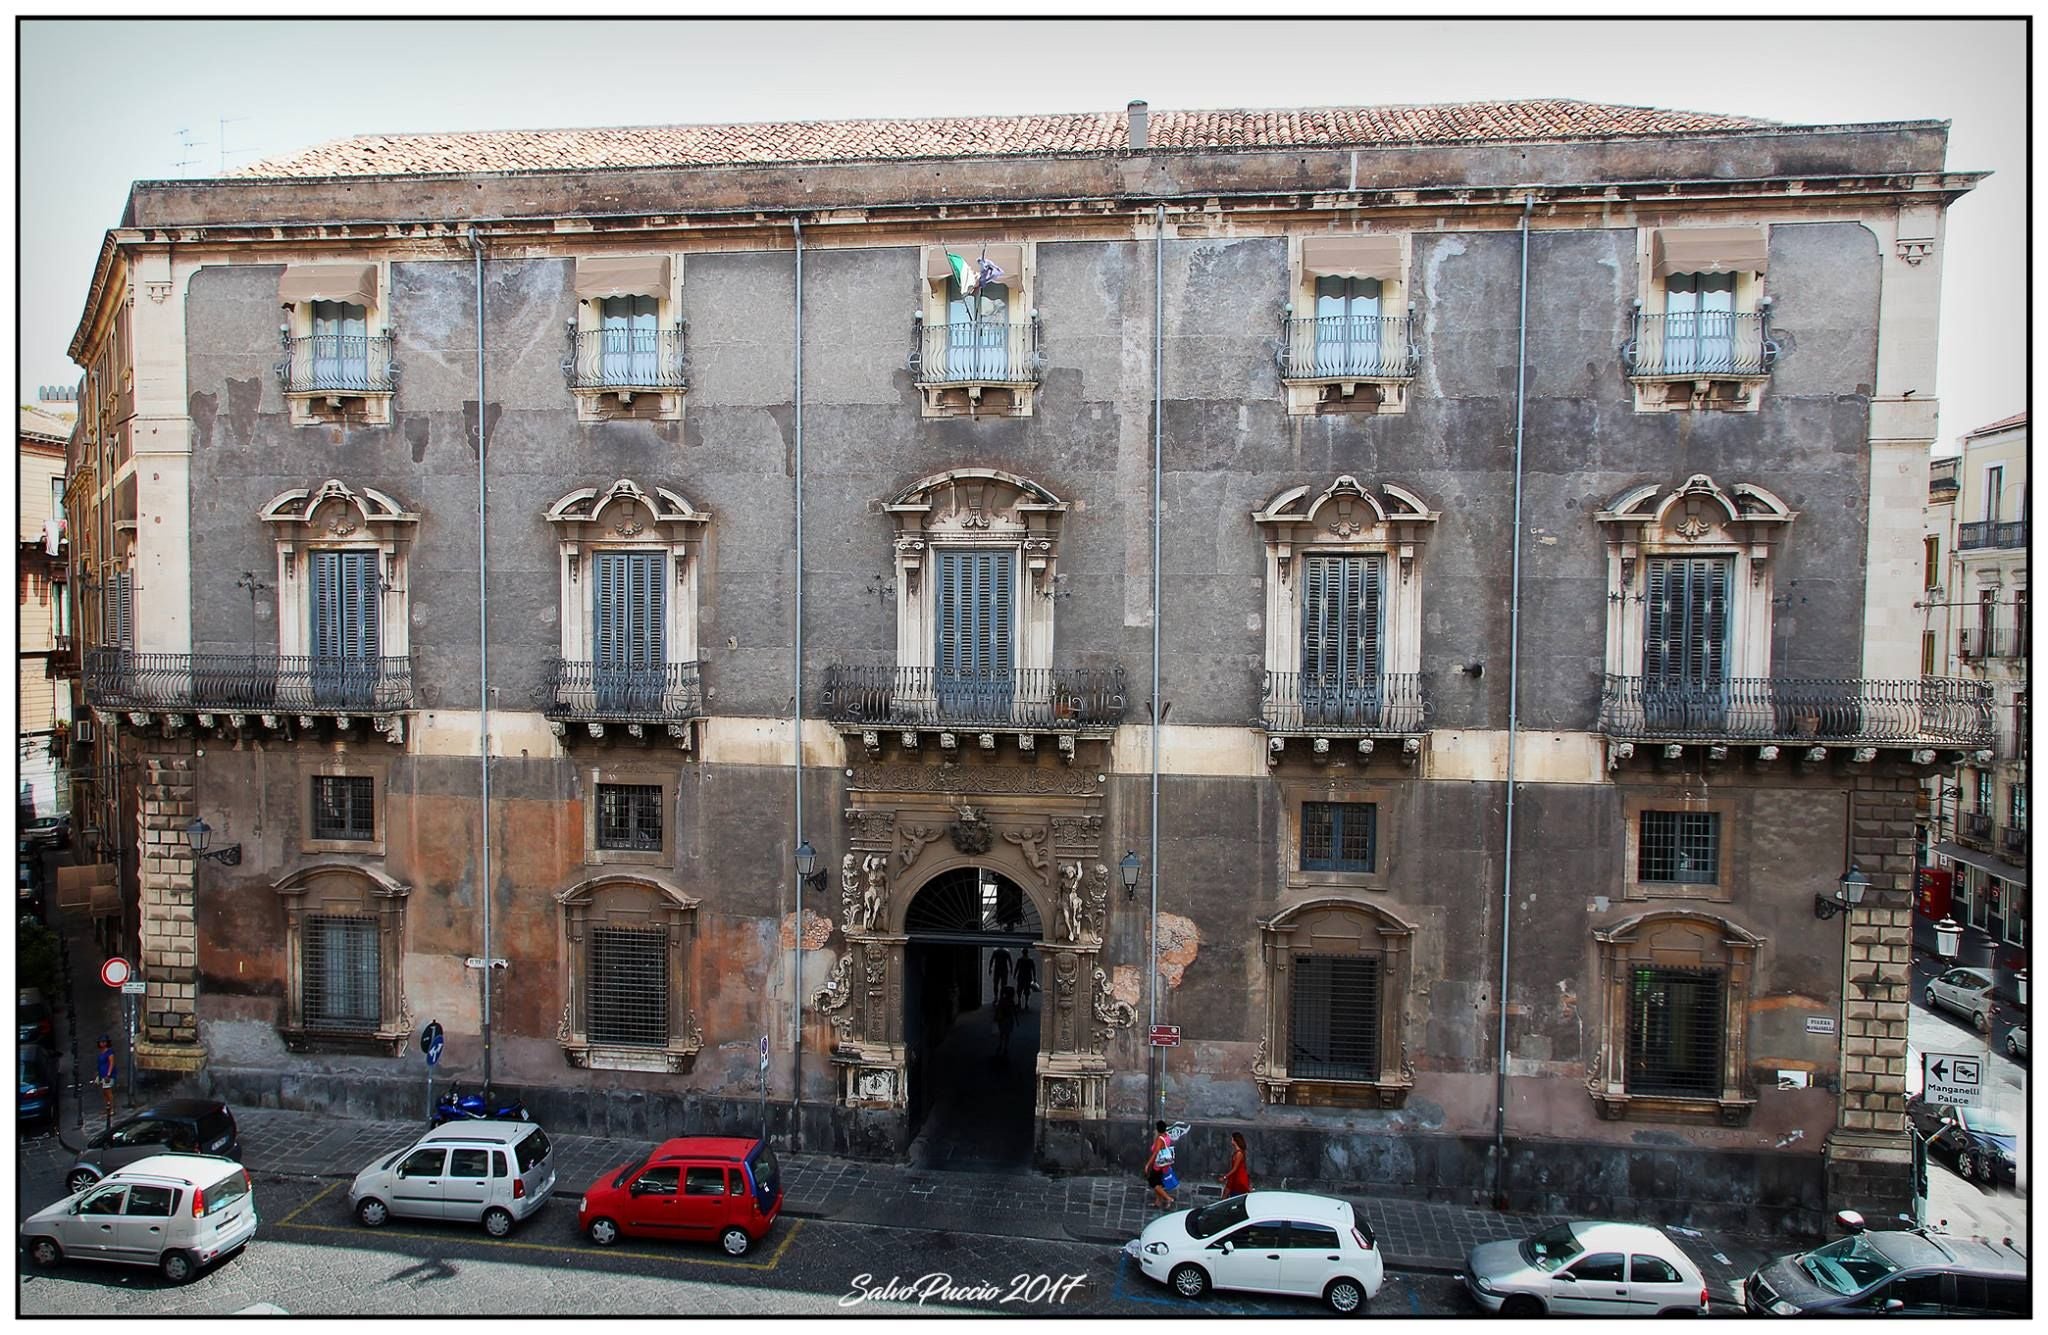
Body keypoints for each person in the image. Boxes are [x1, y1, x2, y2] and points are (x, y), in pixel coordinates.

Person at [1145, 1119, 1177, 1209]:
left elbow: (1155, 1153)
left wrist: (1148, 1164)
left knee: (1154, 1183)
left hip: (1158, 1165)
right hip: (1165, 1165)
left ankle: (1168, 1198)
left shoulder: (1160, 1139)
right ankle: (1158, 1202)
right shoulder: (1167, 1137)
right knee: (1158, 1183)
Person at [1221, 1131, 1251, 1197]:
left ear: (1235, 1140)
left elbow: (1235, 1168)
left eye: (1232, 1139)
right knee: (1227, 1193)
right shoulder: (1236, 1152)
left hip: (1239, 1178)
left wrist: (1225, 1177)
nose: (1231, 1140)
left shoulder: (1239, 1153)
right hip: (1234, 1177)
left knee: (1234, 1193)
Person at [94, 1035, 117, 1120]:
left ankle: (112, 1108)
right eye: (101, 1042)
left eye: (104, 1042)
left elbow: (111, 1063)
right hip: (101, 1074)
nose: (102, 1043)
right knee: (104, 1092)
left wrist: (109, 1074)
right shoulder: (101, 1052)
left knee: (108, 1092)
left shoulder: (109, 1052)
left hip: (107, 1075)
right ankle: (107, 1107)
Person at [993, 985, 1016, 1058]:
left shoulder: (1002, 1001)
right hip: (1008, 1019)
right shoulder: (1011, 1001)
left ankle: (1000, 1044)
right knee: (1007, 1034)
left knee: (1002, 1033)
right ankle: (1005, 1046)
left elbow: (998, 1009)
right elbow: (1014, 1011)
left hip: (1002, 1019)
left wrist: (995, 1017)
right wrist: (1017, 1020)